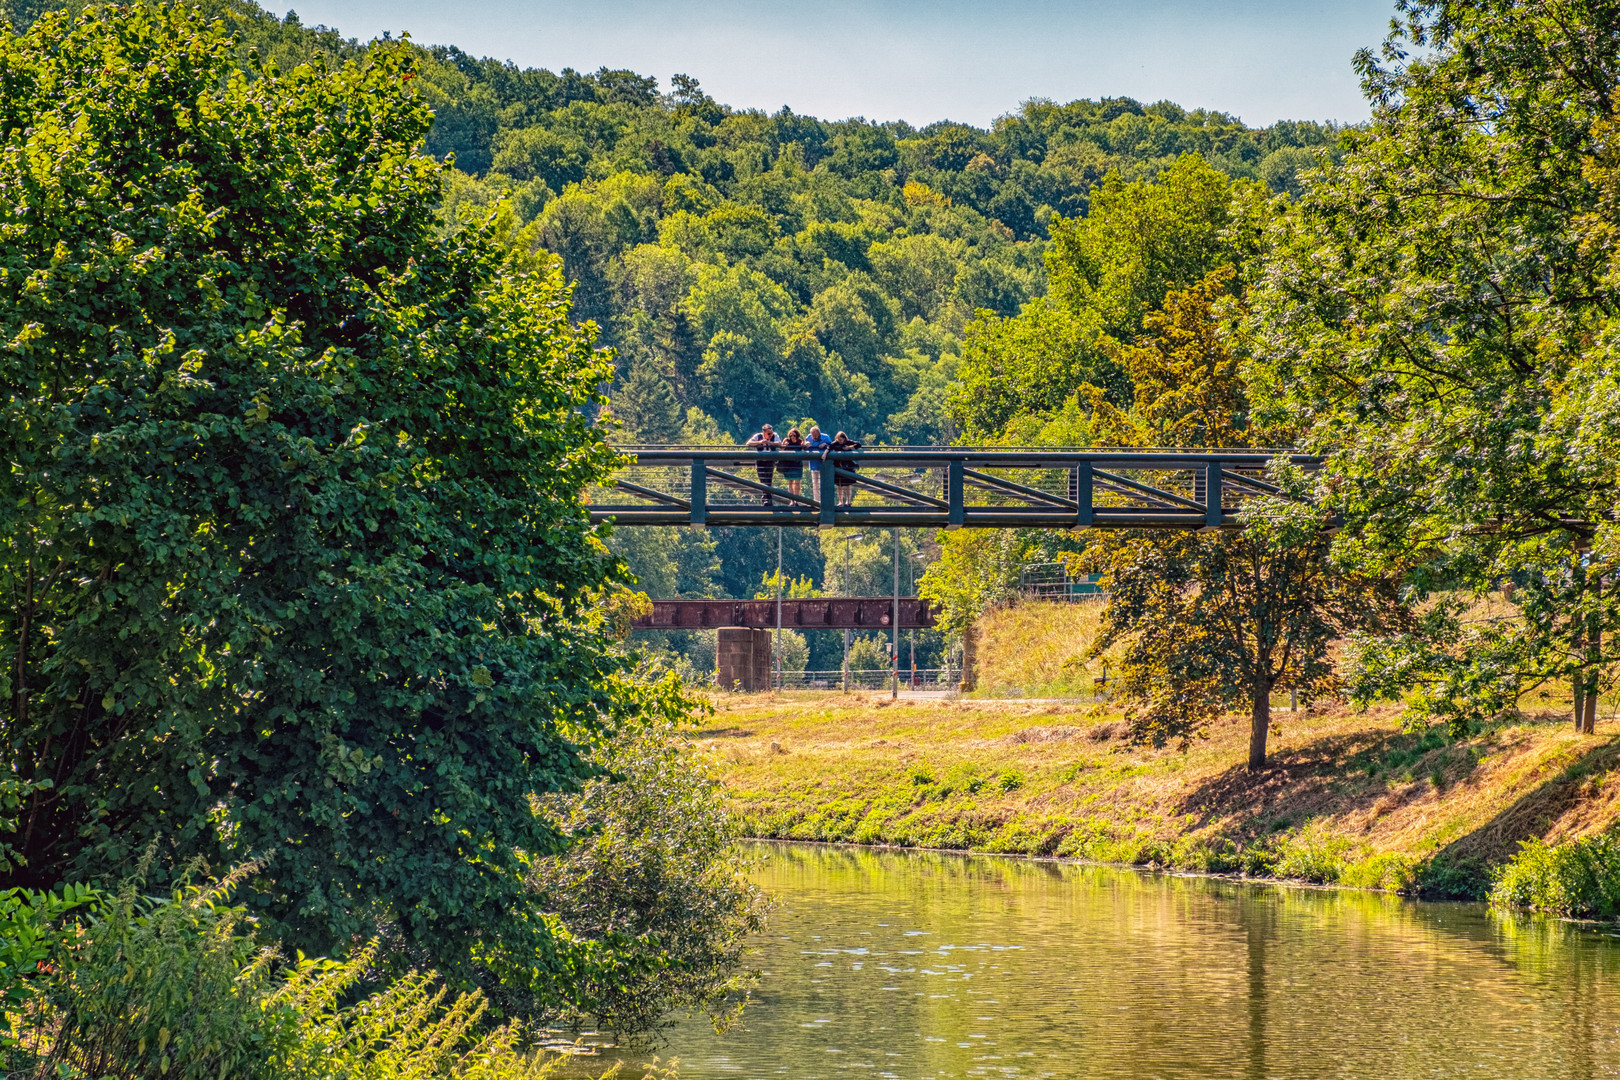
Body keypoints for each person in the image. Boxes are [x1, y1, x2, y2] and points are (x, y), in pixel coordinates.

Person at [745, 423, 779, 504]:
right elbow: (748, 443)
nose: (771, 435)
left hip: (770, 461)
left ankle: (767, 500)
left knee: (768, 480)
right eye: (769, 433)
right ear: (763, 432)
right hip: (760, 461)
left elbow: (779, 443)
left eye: (771, 433)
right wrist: (759, 442)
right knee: (762, 480)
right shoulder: (758, 436)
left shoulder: (775, 436)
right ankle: (766, 499)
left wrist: (770, 443)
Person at [830, 430, 862, 506]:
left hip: (848, 466)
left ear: (844, 438)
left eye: (841, 439)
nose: (840, 441)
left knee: (848, 485)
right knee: (839, 485)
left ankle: (848, 501)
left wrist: (849, 447)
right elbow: (829, 447)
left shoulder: (848, 442)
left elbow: (858, 444)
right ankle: (840, 501)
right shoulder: (835, 443)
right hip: (838, 467)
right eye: (838, 439)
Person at [804, 424, 832, 496]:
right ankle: (816, 500)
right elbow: (803, 446)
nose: (815, 437)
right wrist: (805, 444)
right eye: (813, 436)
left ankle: (824, 499)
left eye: (816, 436)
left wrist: (825, 444)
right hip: (813, 463)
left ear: (819, 434)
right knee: (815, 483)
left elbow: (832, 446)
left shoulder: (825, 437)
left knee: (823, 483)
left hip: (824, 464)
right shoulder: (808, 437)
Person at [779, 427, 806, 499]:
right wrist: (784, 446)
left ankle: (797, 499)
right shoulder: (786, 440)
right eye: (791, 435)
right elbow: (781, 450)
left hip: (797, 464)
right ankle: (791, 500)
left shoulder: (800, 441)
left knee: (797, 482)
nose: (792, 437)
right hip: (788, 465)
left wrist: (804, 445)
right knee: (790, 482)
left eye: (794, 435)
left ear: (797, 435)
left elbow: (804, 447)